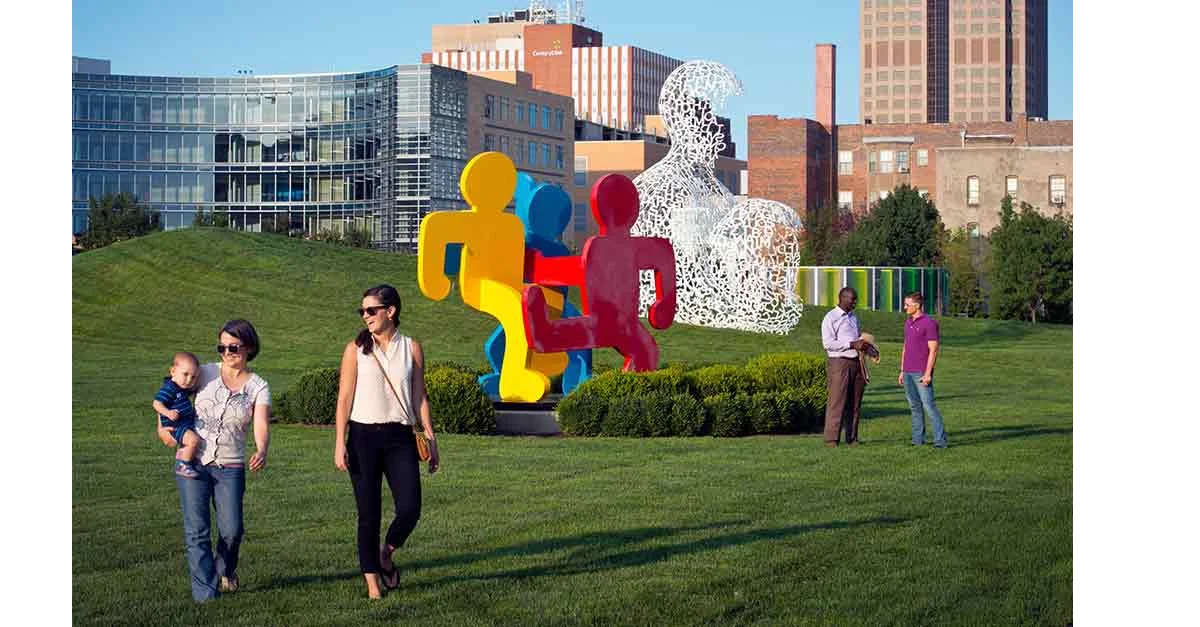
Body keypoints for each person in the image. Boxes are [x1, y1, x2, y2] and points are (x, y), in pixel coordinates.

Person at [334, 285, 440, 600]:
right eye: (362, 311)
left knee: (410, 508)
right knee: (369, 515)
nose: (365, 316)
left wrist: (431, 436)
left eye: (371, 310)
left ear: (390, 311)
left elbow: (420, 396)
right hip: (362, 438)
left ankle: (386, 552)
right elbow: (344, 398)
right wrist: (339, 441)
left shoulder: (411, 348)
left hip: (400, 438)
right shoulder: (355, 349)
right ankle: (372, 585)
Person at [155, 319, 271, 602]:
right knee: (197, 531)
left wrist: (261, 449)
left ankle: (225, 570)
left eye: (234, 347)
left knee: (232, 531)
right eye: (222, 347)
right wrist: (162, 426)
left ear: (249, 347)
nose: (227, 352)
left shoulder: (258, 386)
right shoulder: (204, 373)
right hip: (193, 462)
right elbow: (170, 390)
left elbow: (261, 423)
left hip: (230, 466)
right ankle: (205, 595)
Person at [899, 292, 948, 448]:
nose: (904, 307)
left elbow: (933, 350)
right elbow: (905, 347)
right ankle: (917, 440)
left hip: (921, 372)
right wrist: (902, 370)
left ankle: (940, 441)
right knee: (914, 406)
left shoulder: (929, 323)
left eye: (907, 305)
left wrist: (928, 374)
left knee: (928, 406)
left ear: (917, 305)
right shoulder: (908, 322)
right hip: (908, 371)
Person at [821, 287, 869, 447]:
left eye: (856, 299)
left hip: (857, 362)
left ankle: (852, 437)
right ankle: (831, 439)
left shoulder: (853, 318)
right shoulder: (830, 317)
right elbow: (828, 343)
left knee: (855, 402)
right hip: (839, 363)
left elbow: (858, 337)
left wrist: (866, 346)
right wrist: (851, 344)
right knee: (837, 401)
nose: (855, 302)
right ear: (842, 298)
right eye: (852, 299)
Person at [152, 351, 203, 478]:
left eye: (193, 377)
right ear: (173, 371)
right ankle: (183, 465)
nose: (189, 380)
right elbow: (156, 403)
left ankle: (183, 454)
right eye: (185, 374)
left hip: (183, 424)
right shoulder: (169, 388)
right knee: (194, 440)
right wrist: (167, 413)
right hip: (175, 425)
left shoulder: (180, 387)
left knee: (192, 440)